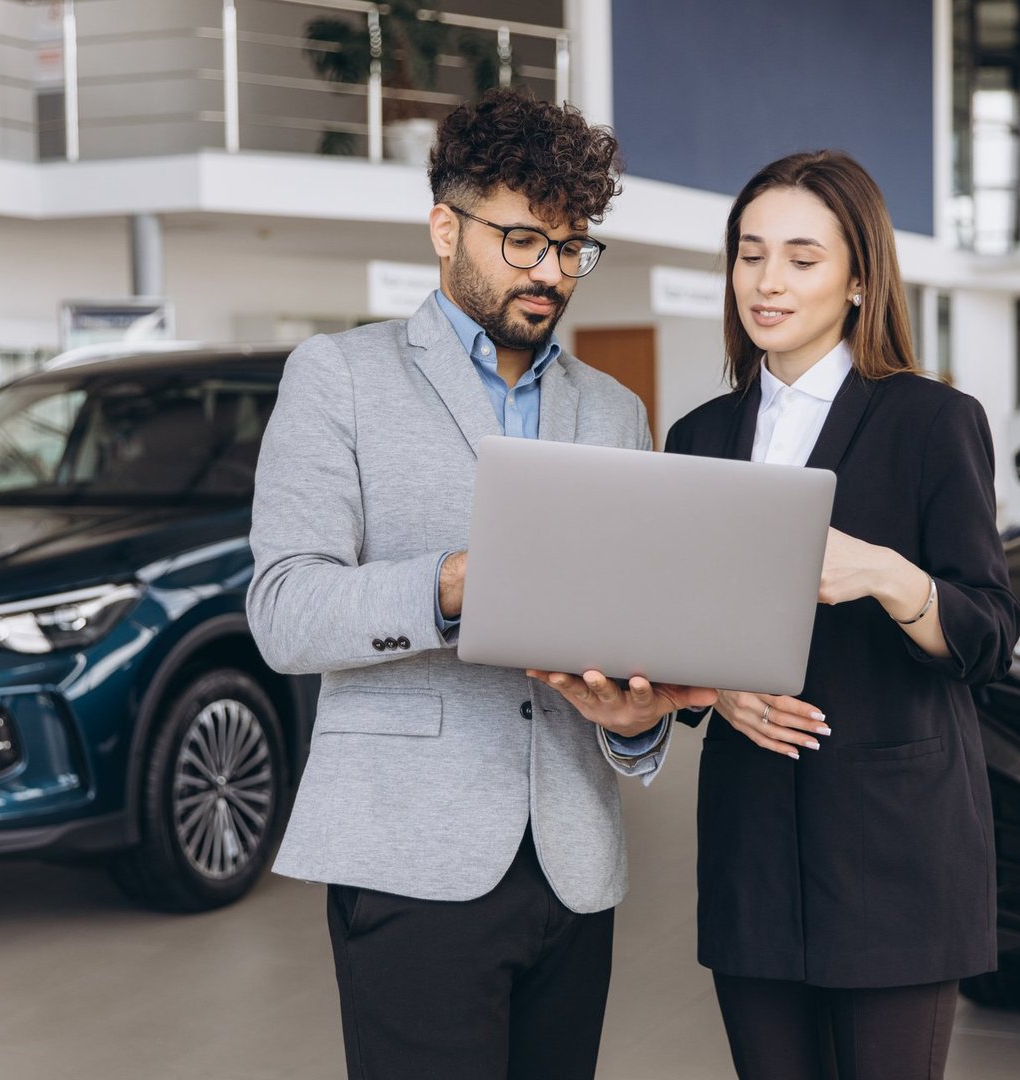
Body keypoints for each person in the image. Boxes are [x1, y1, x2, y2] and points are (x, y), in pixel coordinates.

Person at [246, 88, 711, 1080]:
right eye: (522, 240)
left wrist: (636, 723)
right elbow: (284, 612)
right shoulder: (339, 377)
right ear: (443, 227)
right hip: (411, 864)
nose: (551, 271)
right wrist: (450, 587)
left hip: (576, 866)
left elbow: (623, 634)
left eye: (573, 246)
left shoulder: (616, 411)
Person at [665, 150, 1020, 1080]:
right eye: (750, 256)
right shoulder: (699, 437)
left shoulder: (932, 421)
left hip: (893, 846)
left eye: (800, 257)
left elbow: (989, 634)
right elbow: (674, 632)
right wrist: (715, 690)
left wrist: (886, 574)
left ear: (860, 279)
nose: (767, 282)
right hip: (751, 844)